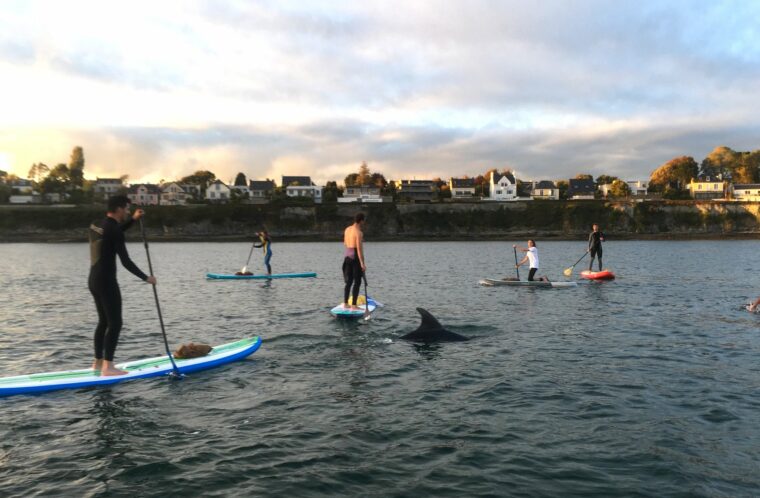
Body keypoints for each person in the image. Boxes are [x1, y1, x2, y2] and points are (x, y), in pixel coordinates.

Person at [88, 195, 156, 376]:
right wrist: (146, 277)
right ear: (118, 208)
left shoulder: (97, 224)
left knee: (103, 322)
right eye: (126, 208)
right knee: (115, 323)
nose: (127, 211)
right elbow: (126, 261)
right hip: (107, 282)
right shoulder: (114, 230)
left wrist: (133, 220)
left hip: (93, 280)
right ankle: (108, 368)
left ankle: (97, 363)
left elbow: (114, 231)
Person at [342, 212, 366, 309]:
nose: (364, 223)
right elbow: (359, 250)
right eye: (364, 221)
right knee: (357, 282)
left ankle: (345, 304)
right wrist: (362, 264)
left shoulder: (347, 229)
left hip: (347, 255)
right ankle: (354, 306)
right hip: (355, 257)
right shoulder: (359, 233)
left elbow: (345, 243)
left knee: (349, 281)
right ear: (361, 221)